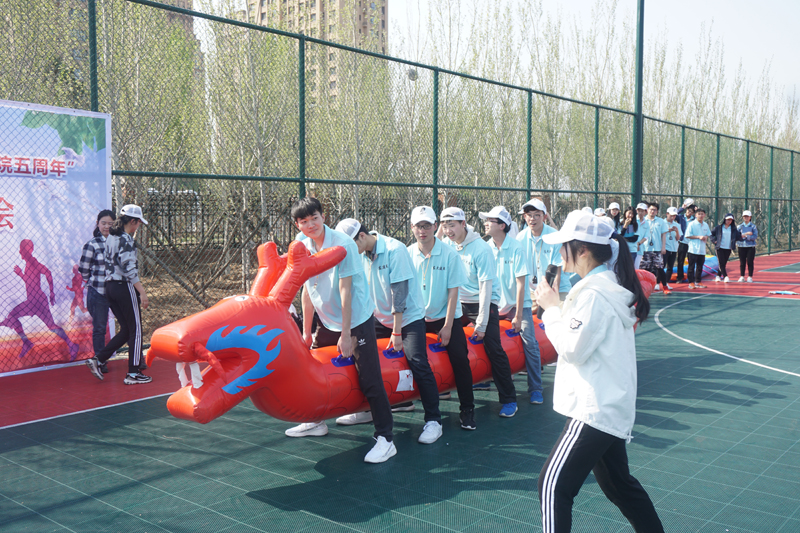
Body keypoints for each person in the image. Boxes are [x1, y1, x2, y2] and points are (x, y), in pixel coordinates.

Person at [534, 209, 664, 533]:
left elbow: (572, 348)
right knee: (620, 487)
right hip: (608, 404)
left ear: (582, 250)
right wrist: (557, 307)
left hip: (594, 409)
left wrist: (551, 310)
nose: (559, 252)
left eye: (564, 245)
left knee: (552, 485)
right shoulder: (601, 289)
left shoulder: (595, 295)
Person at [283, 197, 396, 464]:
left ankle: (385, 439)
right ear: (297, 224)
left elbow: (346, 291)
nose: (310, 225)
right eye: (304, 221)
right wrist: (307, 331)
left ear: (324, 216)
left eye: (314, 218)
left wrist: (346, 335)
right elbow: (307, 290)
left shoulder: (343, 244)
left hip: (355, 318)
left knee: (369, 378)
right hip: (326, 318)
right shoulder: (300, 244)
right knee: (313, 369)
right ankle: (316, 421)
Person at [334, 218, 443, 445]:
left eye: (351, 245)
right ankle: (367, 409)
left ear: (362, 236)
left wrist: (396, 331)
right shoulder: (358, 254)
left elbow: (399, 294)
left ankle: (434, 420)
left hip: (408, 318)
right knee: (364, 359)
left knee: (417, 360)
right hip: (378, 316)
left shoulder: (395, 249)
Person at [440, 206, 518, 417]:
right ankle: (442, 387)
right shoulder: (446, 244)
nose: (448, 231)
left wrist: (482, 323)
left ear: (463, 224)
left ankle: (509, 399)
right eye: (445, 226)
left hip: (482, 302)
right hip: (457, 301)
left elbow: (486, 288)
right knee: (440, 337)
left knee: (493, 346)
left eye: (452, 225)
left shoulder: (481, 249)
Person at [407, 206, 477, 430]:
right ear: (412, 228)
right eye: (419, 226)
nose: (423, 230)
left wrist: (447, 326)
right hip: (417, 317)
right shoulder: (407, 254)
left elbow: (453, 292)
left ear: (435, 227)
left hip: (445, 316)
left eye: (427, 226)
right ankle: (404, 401)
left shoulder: (449, 254)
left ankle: (467, 409)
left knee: (460, 358)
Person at [481, 206, 543, 405]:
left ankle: (536, 388)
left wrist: (517, 315)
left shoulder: (516, 248)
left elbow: (521, 283)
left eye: (490, 220)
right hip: (494, 305)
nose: (485, 223)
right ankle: (483, 379)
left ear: (502, 225)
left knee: (530, 343)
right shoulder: (485, 248)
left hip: (518, 305)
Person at [86, 205, 152, 384]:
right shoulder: (125, 239)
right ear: (133, 221)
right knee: (136, 330)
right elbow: (129, 268)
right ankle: (133, 373)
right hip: (124, 286)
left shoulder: (111, 237)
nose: (138, 226)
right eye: (138, 222)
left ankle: (98, 359)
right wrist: (142, 292)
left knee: (127, 329)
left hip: (110, 287)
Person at [0, 239, 79, 360]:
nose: (21, 251)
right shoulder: (29, 263)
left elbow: (47, 272)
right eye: (21, 249)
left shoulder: (33, 261)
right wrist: (21, 275)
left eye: (23, 249)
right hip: (33, 301)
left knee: (49, 326)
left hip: (37, 301)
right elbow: (31, 282)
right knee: (49, 325)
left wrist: (52, 292)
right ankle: (28, 342)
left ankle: (71, 345)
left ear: (29, 250)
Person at [78, 209, 115, 373]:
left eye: (110, 224)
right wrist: (93, 281)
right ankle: (100, 361)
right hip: (98, 293)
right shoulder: (91, 245)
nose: (107, 226)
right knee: (99, 328)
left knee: (127, 325)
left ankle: (136, 360)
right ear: (97, 224)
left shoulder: (119, 242)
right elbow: (84, 270)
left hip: (117, 292)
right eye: (103, 223)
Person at [637, 202, 670, 294]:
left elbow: (664, 235)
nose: (652, 211)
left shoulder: (661, 221)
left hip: (657, 249)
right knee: (644, 269)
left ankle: (665, 287)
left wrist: (663, 247)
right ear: (647, 210)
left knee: (660, 268)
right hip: (644, 249)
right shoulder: (642, 220)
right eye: (651, 209)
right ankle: (643, 288)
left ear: (657, 211)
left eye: (655, 210)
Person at [684, 208, 711, 289]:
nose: (701, 215)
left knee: (700, 266)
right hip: (693, 249)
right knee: (691, 267)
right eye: (699, 214)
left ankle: (698, 281)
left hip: (702, 250)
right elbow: (687, 235)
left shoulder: (706, 225)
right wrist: (698, 237)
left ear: (704, 215)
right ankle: (691, 282)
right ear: (695, 215)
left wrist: (705, 237)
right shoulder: (692, 224)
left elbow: (708, 234)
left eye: (702, 214)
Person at [710, 213, 741, 283]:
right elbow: (711, 234)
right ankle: (725, 276)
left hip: (728, 248)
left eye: (730, 220)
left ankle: (718, 276)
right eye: (728, 219)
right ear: (724, 219)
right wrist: (714, 241)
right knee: (721, 263)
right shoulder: (719, 227)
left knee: (724, 263)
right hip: (720, 247)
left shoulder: (733, 229)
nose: (729, 221)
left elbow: (738, 237)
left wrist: (743, 235)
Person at [675, 200, 696, 284]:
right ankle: (679, 277)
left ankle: (691, 278)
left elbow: (700, 217)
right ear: (686, 210)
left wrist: (697, 210)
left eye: (691, 212)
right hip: (682, 242)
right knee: (680, 260)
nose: (689, 213)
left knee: (691, 261)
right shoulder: (680, 217)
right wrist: (682, 208)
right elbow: (674, 214)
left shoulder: (694, 220)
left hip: (691, 243)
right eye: (688, 211)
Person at [663, 207, 682, 286]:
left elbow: (678, 238)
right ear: (667, 214)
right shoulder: (662, 223)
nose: (672, 217)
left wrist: (677, 231)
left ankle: (666, 283)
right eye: (671, 215)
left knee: (670, 267)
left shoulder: (677, 224)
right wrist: (668, 230)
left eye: (674, 216)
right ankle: (658, 282)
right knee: (661, 266)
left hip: (673, 248)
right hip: (664, 248)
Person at [737, 210, 758, 282]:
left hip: (750, 247)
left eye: (747, 216)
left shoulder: (753, 226)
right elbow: (737, 236)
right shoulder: (739, 226)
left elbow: (754, 236)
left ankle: (750, 276)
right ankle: (742, 276)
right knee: (742, 262)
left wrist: (747, 236)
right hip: (741, 246)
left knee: (750, 262)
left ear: (750, 217)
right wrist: (746, 234)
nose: (746, 218)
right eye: (744, 216)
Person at [633, 202, 649, 269]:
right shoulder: (633, 220)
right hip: (631, 248)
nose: (640, 212)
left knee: (636, 268)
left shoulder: (647, 223)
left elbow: (646, 236)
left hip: (640, 249)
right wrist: (635, 244)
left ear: (645, 212)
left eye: (642, 211)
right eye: (639, 210)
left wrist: (639, 243)